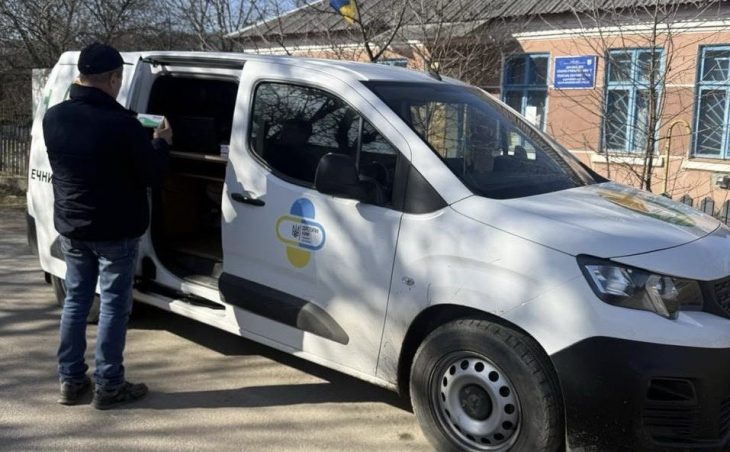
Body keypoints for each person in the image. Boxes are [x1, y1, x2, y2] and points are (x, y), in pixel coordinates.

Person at [43, 42, 172, 409]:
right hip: (115, 230)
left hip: (73, 227)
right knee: (114, 305)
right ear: (114, 78)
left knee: (76, 302)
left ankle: (71, 381)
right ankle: (109, 385)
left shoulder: (54, 117)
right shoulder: (122, 125)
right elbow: (153, 175)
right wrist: (160, 144)